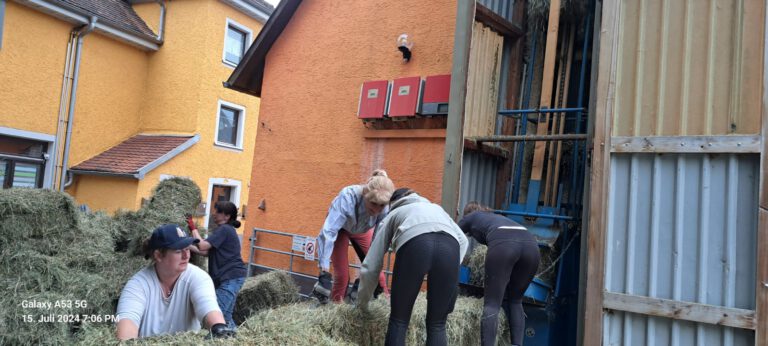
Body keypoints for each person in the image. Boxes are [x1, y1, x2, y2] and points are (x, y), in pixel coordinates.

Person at [357, 188, 468, 346]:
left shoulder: (394, 213)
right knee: (437, 324)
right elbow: (463, 240)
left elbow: (371, 265)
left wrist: (362, 303)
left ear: (393, 203)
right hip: (450, 249)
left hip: (415, 245)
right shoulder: (437, 208)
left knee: (399, 321)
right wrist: (448, 274)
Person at [116, 224, 230, 340]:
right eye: (178, 251)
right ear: (158, 255)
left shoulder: (198, 277)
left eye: (187, 248)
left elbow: (207, 305)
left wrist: (218, 327)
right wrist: (127, 339)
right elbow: (127, 325)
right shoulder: (138, 285)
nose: (186, 256)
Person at [457, 202, 540, 346]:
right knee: (515, 301)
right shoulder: (496, 218)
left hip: (505, 245)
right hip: (531, 246)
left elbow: (451, 233)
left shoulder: (471, 217)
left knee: (492, 304)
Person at [313, 169, 394, 303]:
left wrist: (366, 275)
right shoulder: (348, 197)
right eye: (373, 203)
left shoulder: (384, 208)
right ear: (365, 194)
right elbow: (328, 232)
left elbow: (378, 242)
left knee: (379, 277)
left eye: (381, 206)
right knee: (343, 276)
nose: (376, 210)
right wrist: (324, 272)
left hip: (361, 230)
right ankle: (336, 309)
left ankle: (385, 308)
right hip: (340, 229)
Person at [188, 201, 247, 329]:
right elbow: (205, 252)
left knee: (216, 315)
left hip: (230, 277)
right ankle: (236, 339)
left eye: (218, 212)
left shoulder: (224, 229)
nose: (214, 214)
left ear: (227, 216)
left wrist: (193, 228)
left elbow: (202, 245)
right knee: (225, 317)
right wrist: (187, 245)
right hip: (232, 277)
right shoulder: (224, 230)